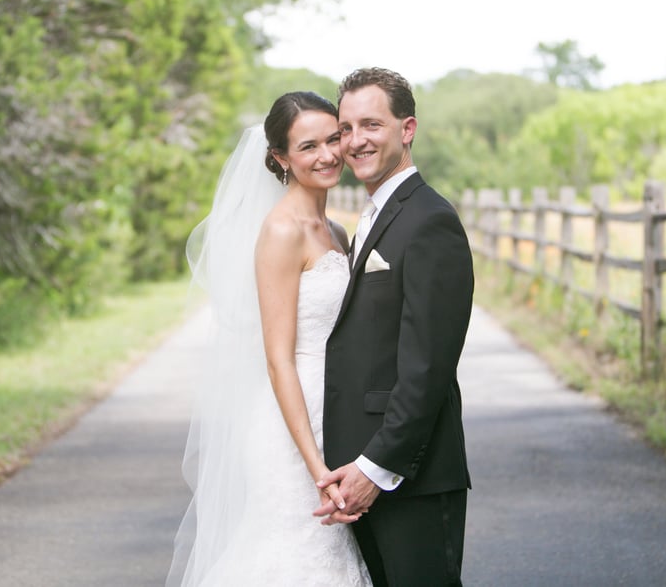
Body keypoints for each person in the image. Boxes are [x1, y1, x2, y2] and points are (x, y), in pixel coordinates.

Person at [167, 91, 372, 586]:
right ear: (281, 158)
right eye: (307, 147)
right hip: (291, 432)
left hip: (336, 413)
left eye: (333, 139)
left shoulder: (336, 232)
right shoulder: (281, 232)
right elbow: (278, 358)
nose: (326, 155)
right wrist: (316, 467)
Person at [315, 67, 475, 586]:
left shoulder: (430, 220)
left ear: (406, 130)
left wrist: (375, 468)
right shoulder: (373, 215)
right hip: (360, 470)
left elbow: (427, 368)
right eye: (346, 129)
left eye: (371, 125)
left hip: (412, 477)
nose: (355, 141)